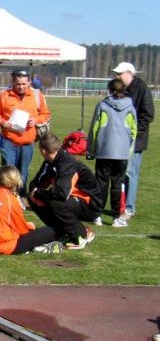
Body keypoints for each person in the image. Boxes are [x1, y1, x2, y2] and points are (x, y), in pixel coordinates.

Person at [29, 133, 104, 250]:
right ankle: (62, 233)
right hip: (73, 198)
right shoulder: (49, 162)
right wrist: (34, 193)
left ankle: (81, 235)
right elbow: (36, 182)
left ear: (43, 151)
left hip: (91, 204)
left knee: (55, 202)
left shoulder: (66, 162)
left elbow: (61, 194)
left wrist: (39, 193)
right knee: (33, 199)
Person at [0, 70, 51, 197]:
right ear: (13, 82)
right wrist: (2, 122)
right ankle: (5, 196)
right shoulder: (4, 95)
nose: (21, 87)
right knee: (8, 171)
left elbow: (46, 114)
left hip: (28, 141)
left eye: (24, 84)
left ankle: (20, 197)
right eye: (18, 84)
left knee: (23, 172)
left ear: (29, 82)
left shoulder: (37, 95)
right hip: (8, 140)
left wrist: (36, 120)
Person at [86, 78, 137, 227]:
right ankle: (116, 217)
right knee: (118, 185)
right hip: (121, 153)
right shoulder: (130, 107)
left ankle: (97, 215)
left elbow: (94, 128)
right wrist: (128, 151)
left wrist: (91, 149)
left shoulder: (102, 105)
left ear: (109, 90)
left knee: (101, 184)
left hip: (104, 151)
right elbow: (134, 131)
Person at [0, 166, 61, 254]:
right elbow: (21, 229)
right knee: (50, 231)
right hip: (3, 245)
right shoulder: (11, 200)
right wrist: (31, 228)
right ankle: (38, 247)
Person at [112, 62, 155, 224]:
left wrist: (134, 132)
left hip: (136, 140)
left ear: (129, 73)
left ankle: (129, 208)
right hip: (121, 138)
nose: (117, 76)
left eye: (120, 73)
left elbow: (148, 115)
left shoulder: (142, 89)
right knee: (121, 173)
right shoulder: (122, 90)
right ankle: (122, 206)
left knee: (130, 173)